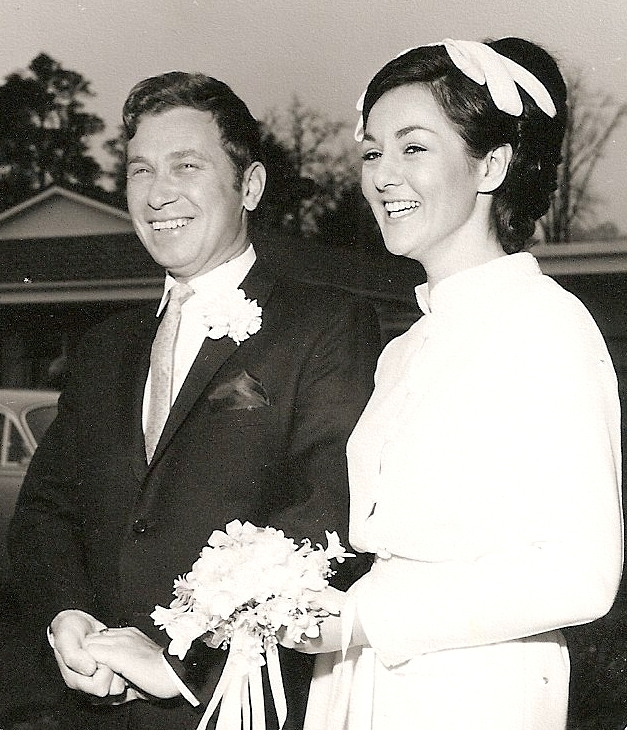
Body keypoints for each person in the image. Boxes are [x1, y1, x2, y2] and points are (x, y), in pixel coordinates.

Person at [6, 72, 380, 730]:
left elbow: (328, 516)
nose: (157, 194)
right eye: (140, 170)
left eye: (186, 166)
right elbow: (44, 512)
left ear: (250, 186)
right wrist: (67, 616)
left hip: (234, 705)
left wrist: (187, 658)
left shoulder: (322, 326)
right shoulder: (104, 348)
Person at [278, 38, 624, 730]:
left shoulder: (544, 324)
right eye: (372, 152)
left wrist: (363, 617)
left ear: (491, 163)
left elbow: (580, 573)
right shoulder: (403, 349)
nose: (381, 176)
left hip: (474, 685)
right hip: (363, 676)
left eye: (412, 148)